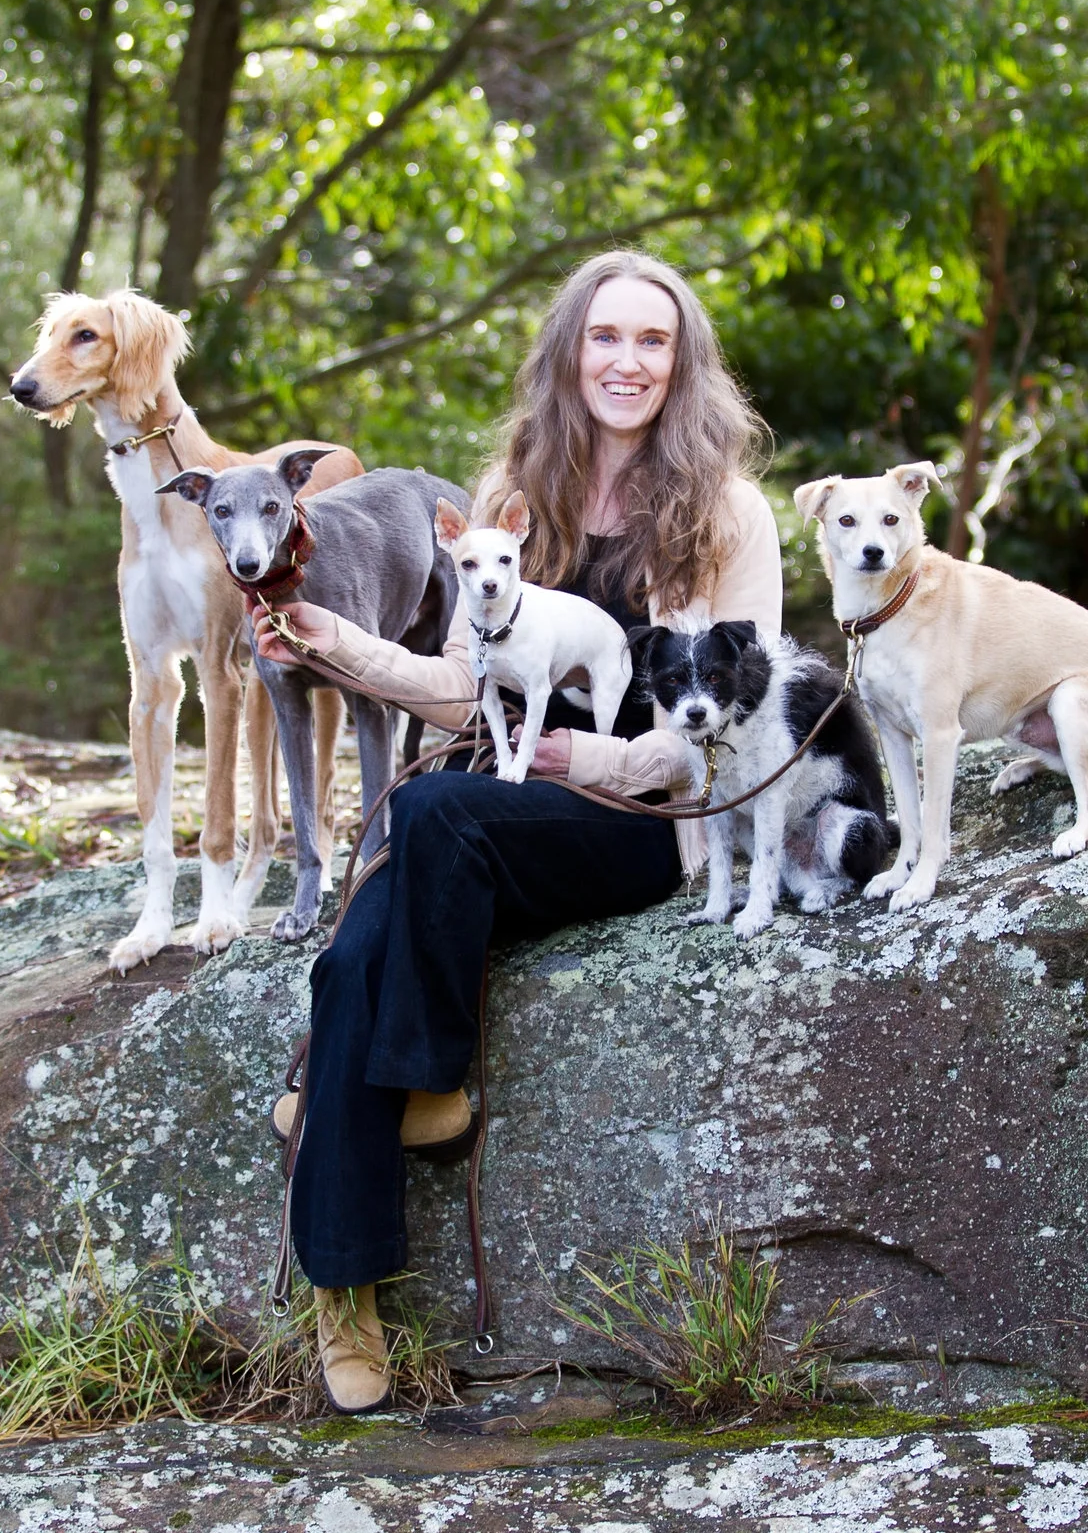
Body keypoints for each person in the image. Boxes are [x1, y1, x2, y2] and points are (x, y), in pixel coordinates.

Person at [250, 251, 781, 1412]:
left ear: (682, 363)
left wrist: (586, 756)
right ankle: (357, 1265)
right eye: (606, 338)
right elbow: (457, 690)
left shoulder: (727, 511)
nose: (627, 361)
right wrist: (329, 639)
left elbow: (739, 710)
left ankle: (388, 1087)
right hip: (492, 812)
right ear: (569, 353)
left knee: (432, 818)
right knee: (357, 947)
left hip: (643, 818)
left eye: (653, 341)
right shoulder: (513, 490)